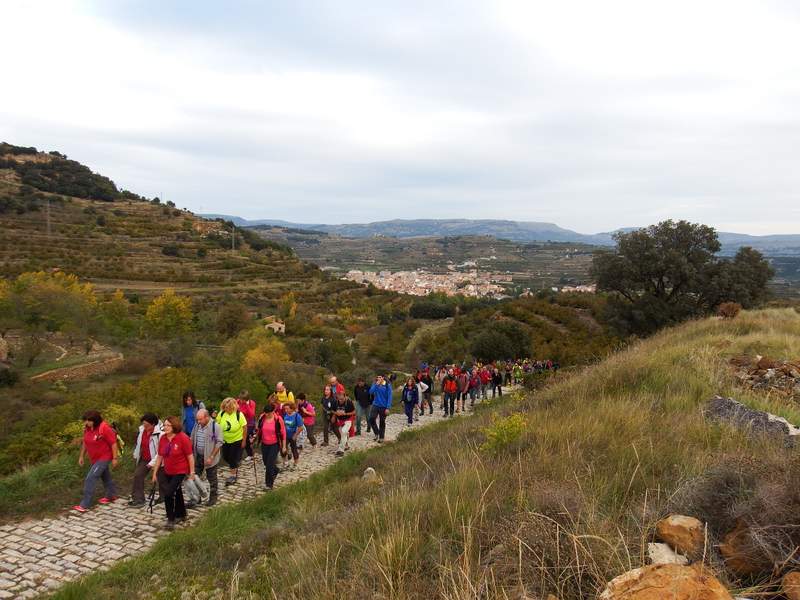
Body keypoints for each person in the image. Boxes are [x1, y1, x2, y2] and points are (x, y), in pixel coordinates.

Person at [151, 416, 195, 529]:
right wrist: (155, 473)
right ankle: (182, 514)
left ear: (174, 426)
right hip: (168, 470)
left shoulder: (183, 438)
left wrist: (192, 472)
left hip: (180, 470)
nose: (165, 427)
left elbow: (190, 457)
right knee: (177, 491)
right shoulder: (163, 439)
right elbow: (160, 457)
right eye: (164, 425)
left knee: (169, 494)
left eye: (167, 425)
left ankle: (170, 519)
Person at [73, 410, 119, 513]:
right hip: (94, 458)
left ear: (95, 420)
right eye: (86, 420)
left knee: (90, 478)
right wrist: (81, 456)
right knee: (105, 476)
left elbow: (113, 443)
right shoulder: (87, 429)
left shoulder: (104, 428)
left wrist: (115, 458)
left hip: (104, 457)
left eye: (89, 421)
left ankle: (85, 504)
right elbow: (85, 442)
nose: (87, 423)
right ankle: (111, 495)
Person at [128, 413, 162, 507]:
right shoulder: (142, 430)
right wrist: (136, 454)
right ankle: (138, 499)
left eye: (147, 425)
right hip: (144, 458)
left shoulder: (160, 434)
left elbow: (160, 451)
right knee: (138, 475)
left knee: (162, 478)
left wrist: (153, 463)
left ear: (153, 424)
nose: (144, 426)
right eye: (143, 424)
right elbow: (139, 444)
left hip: (158, 459)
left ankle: (164, 497)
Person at [191, 408, 222, 506]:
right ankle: (197, 498)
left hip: (210, 457)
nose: (198, 422)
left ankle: (213, 497)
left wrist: (211, 457)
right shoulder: (197, 426)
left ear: (207, 417)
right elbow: (191, 439)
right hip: (198, 456)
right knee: (194, 477)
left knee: (212, 478)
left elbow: (219, 443)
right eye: (197, 419)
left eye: (200, 419)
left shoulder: (215, 427)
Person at [216, 397, 247, 486]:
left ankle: (233, 475)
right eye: (225, 408)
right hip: (225, 440)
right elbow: (217, 424)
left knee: (233, 458)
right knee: (225, 457)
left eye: (228, 408)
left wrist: (244, 441)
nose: (226, 409)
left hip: (236, 440)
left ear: (233, 407)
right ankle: (235, 465)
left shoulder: (239, 414)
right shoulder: (221, 414)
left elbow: (245, 428)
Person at [257, 402, 286, 490]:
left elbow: (283, 433)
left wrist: (284, 446)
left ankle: (269, 484)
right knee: (266, 463)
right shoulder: (262, 417)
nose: (267, 414)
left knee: (269, 465)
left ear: (273, 411)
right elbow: (259, 429)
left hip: (275, 444)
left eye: (268, 413)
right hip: (264, 444)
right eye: (265, 412)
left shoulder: (278, 419)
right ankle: (276, 470)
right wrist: (254, 438)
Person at [368, 374, 392, 442]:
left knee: (382, 421)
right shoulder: (375, 384)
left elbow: (390, 397)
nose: (378, 378)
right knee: (371, 419)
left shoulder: (387, 385)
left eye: (380, 377)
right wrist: (376, 385)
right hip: (375, 405)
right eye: (377, 377)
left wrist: (388, 407)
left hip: (383, 406)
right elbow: (370, 392)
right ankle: (376, 433)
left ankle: (381, 437)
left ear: (383, 378)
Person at [282, 401, 305, 470]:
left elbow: (301, 427)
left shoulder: (297, 416)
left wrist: (295, 435)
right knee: (283, 448)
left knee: (294, 448)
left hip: (293, 435)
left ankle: (295, 463)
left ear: (292, 409)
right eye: (285, 409)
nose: (286, 410)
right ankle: (285, 462)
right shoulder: (285, 415)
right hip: (285, 435)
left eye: (287, 409)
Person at [236, 390, 257, 462]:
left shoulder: (252, 403)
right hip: (239, 423)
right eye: (240, 399)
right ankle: (250, 454)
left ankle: (240, 455)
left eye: (243, 400)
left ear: (246, 399)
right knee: (246, 440)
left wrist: (246, 405)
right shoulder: (237, 401)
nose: (241, 401)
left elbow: (251, 415)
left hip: (249, 424)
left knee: (244, 438)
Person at [334, 391, 356, 456]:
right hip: (340, 420)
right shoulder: (335, 402)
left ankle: (340, 450)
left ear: (344, 396)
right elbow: (332, 410)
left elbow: (354, 412)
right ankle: (346, 445)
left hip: (348, 420)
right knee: (343, 434)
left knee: (343, 432)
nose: (340, 399)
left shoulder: (349, 402)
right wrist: (336, 414)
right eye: (339, 397)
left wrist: (345, 413)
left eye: (341, 397)